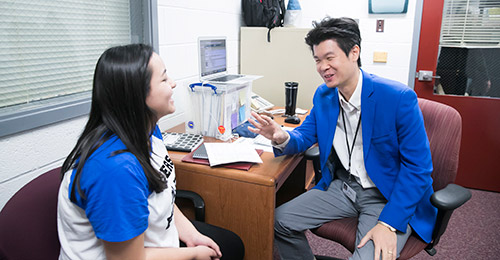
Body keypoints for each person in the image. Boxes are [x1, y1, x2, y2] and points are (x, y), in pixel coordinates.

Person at [248, 17, 437, 260]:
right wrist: (281, 136)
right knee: (279, 222)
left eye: (329, 58)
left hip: (386, 195)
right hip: (343, 187)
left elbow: (419, 169)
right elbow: (305, 136)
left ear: (354, 52)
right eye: (317, 60)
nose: (322, 67)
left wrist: (389, 223)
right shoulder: (325, 95)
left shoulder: (398, 98)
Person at [57, 44, 244, 260]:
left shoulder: (146, 129)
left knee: (232, 245)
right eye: (164, 80)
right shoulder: (114, 170)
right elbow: (127, 259)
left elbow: (162, 194)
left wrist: (191, 235)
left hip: (154, 241)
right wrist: (192, 255)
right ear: (137, 95)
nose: (173, 84)